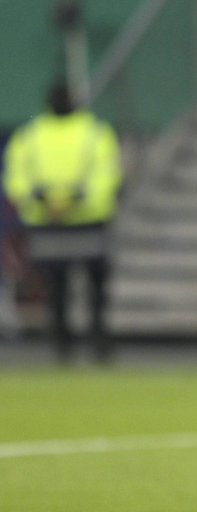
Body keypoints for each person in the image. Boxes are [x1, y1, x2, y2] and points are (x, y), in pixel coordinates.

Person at [2, 82, 121, 361]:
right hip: (58, 221)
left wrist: (66, 201)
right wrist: (47, 199)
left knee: (94, 286)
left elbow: (107, 172)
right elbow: (15, 175)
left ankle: (96, 340)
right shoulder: (36, 135)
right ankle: (62, 344)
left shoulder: (90, 132)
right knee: (58, 287)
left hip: (84, 220)